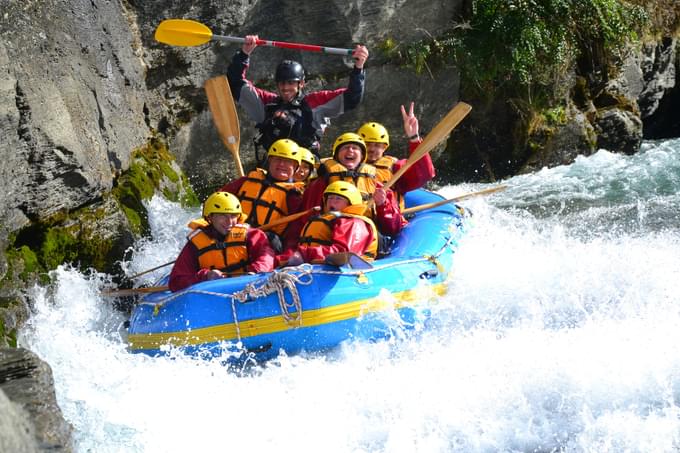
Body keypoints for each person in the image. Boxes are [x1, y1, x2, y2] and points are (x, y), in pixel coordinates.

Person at [226, 35, 369, 160]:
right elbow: (236, 83)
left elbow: (352, 97)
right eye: (282, 83)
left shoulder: (315, 103)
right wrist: (244, 53)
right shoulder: (267, 103)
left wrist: (359, 67)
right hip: (273, 167)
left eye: (291, 83)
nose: (285, 88)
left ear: (301, 83)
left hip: (304, 168)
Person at [298, 132, 406, 238]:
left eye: (355, 148)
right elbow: (306, 220)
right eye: (345, 147)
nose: (350, 150)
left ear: (362, 156)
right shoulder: (320, 183)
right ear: (336, 155)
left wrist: (382, 205)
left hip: (365, 235)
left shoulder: (377, 185)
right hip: (331, 233)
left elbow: (392, 229)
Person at [168, 192, 275, 292]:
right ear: (210, 217)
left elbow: (266, 259)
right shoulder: (194, 245)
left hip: (249, 286)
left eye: (233, 215)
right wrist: (206, 276)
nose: (229, 222)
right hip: (216, 293)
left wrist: (255, 271)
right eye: (222, 215)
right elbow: (176, 281)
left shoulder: (252, 235)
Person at [218, 139, 304, 252]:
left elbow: (296, 229)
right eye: (277, 159)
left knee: (273, 241)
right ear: (270, 161)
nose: (282, 164)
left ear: (295, 167)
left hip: (265, 239)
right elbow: (217, 200)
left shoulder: (294, 195)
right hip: (235, 233)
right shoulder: (246, 181)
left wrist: (289, 253)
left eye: (288, 161)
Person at [357, 102, 435, 209]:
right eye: (367, 144)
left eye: (377, 145)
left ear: (385, 147)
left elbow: (426, 174)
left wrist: (414, 138)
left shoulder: (396, 167)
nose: (371, 149)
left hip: (388, 220)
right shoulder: (347, 165)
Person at [280, 181, 378, 266]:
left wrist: (305, 254)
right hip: (315, 266)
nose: (332, 202)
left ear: (350, 203)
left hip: (348, 272)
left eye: (338, 199)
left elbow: (344, 254)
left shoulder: (354, 222)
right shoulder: (327, 218)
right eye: (330, 198)